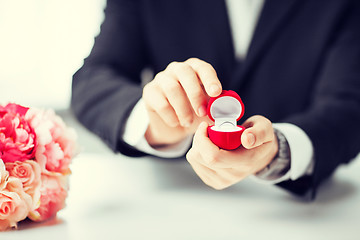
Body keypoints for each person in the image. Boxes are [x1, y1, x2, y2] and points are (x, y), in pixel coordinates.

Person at [71, 0, 360, 198]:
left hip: (297, 211)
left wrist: (279, 149)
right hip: (166, 200)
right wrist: (155, 122)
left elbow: (349, 107)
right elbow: (94, 77)